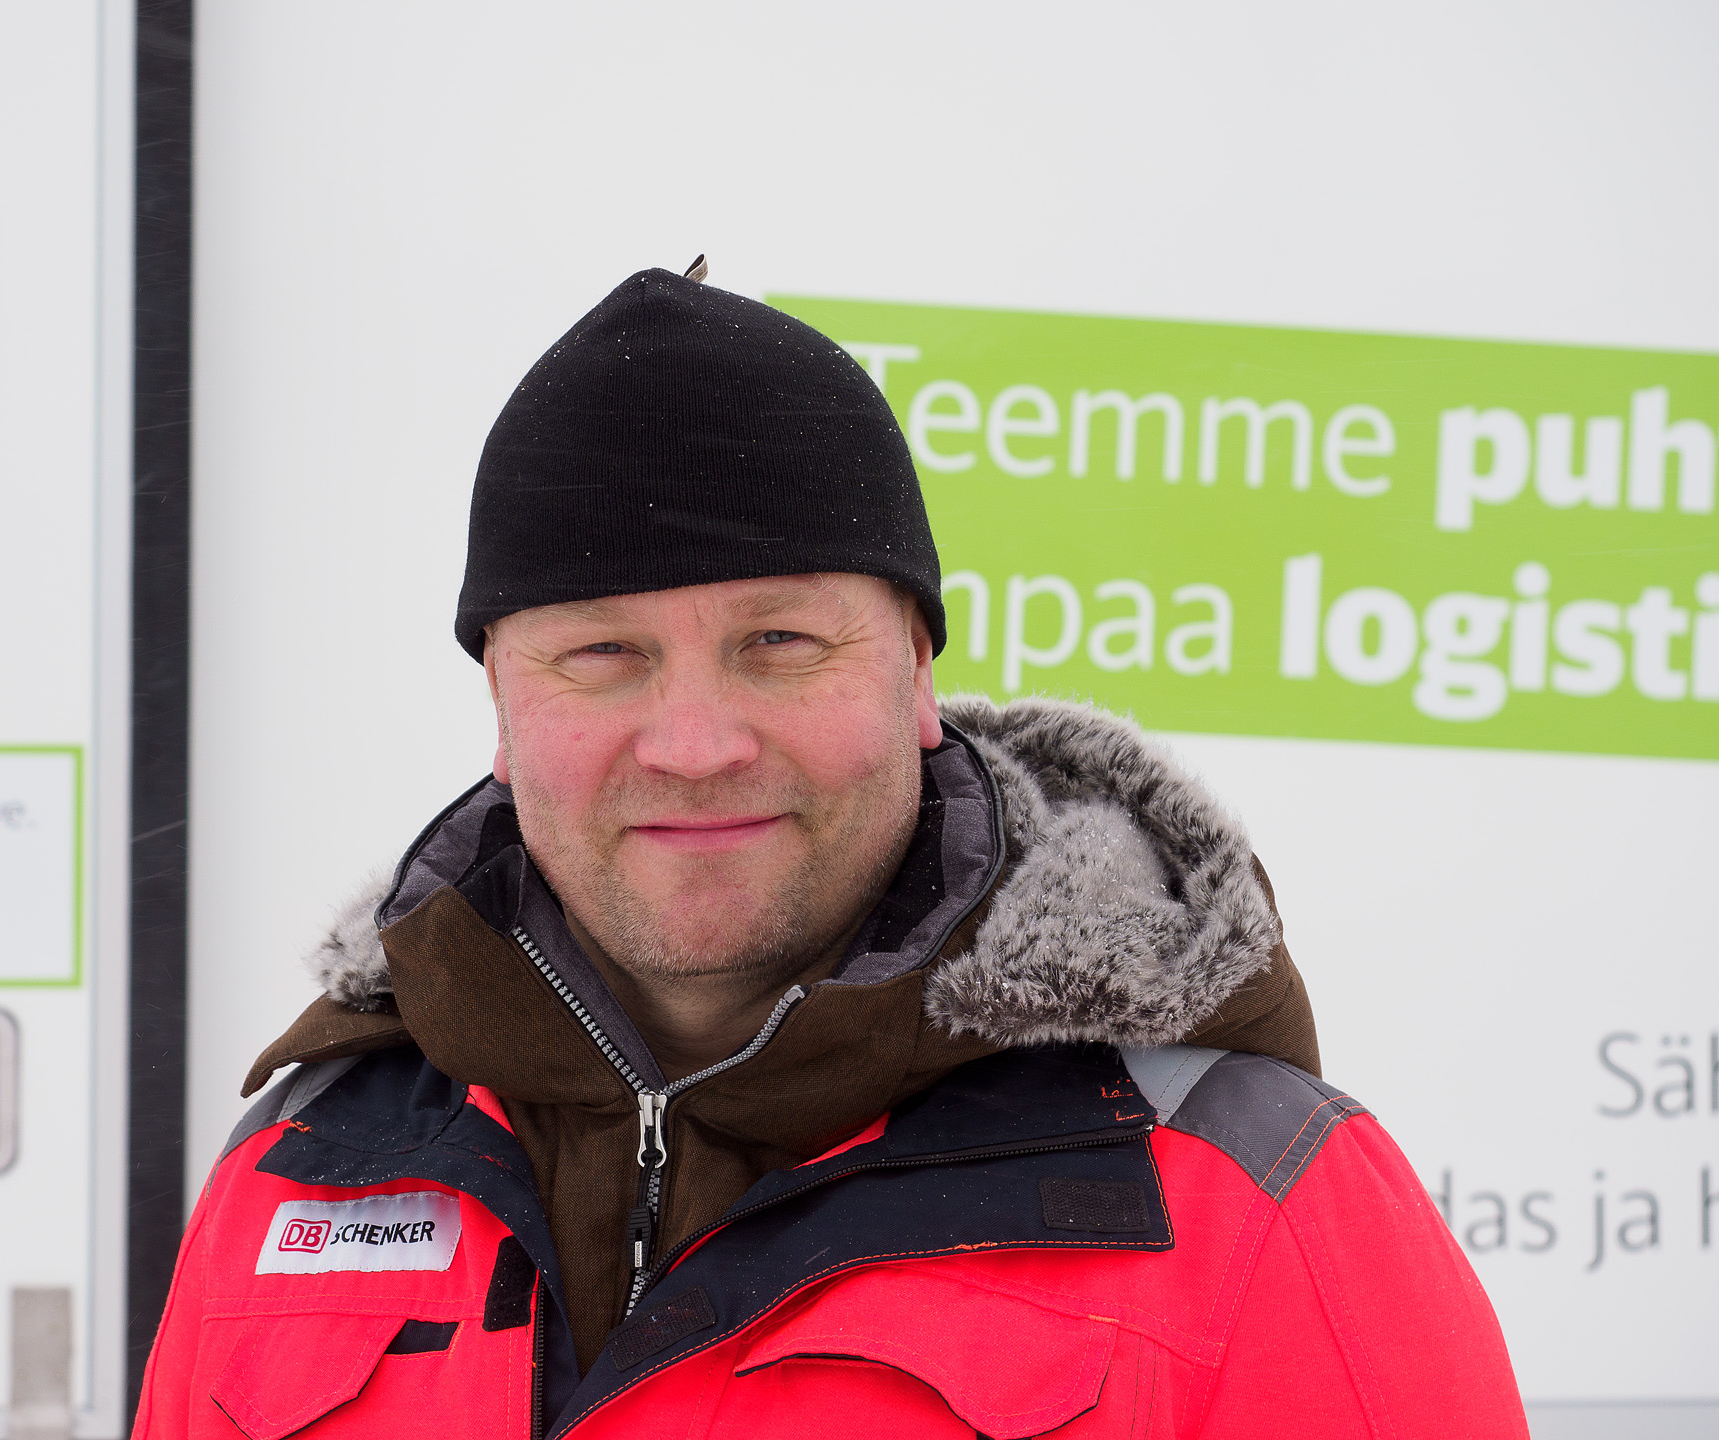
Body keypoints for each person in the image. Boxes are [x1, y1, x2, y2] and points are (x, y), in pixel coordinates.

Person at [134, 265, 1528, 1439]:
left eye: (780, 642)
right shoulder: (297, 1169)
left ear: (916, 672)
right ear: (502, 706)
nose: (694, 744)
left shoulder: (1250, 1198)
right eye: (602, 653)